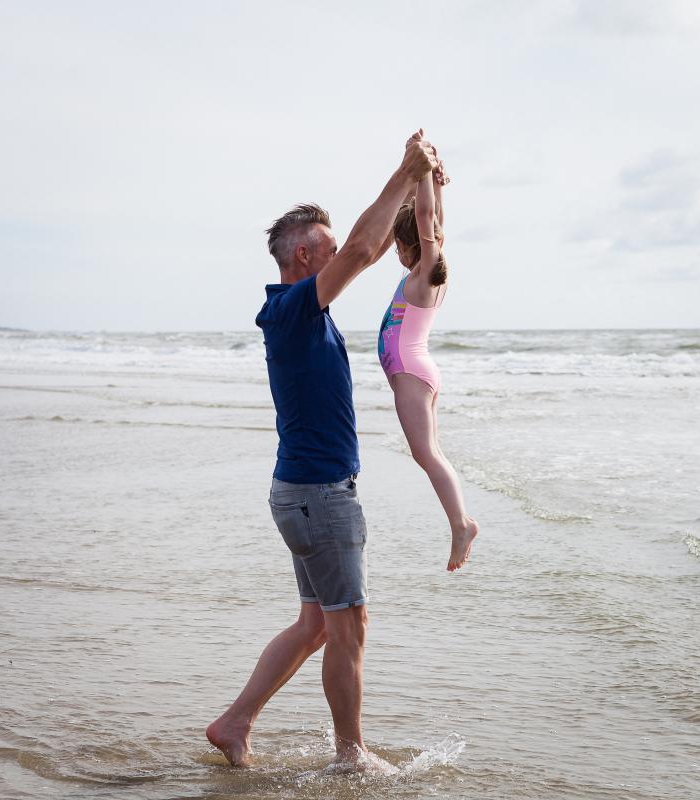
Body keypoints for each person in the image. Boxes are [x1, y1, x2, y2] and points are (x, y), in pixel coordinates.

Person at [205, 131, 438, 768]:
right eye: (330, 250)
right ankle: (351, 753)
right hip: (319, 496)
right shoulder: (291, 311)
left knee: (316, 624)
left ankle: (234, 722)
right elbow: (364, 248)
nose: (346, 260)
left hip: (307, 493)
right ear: (306, 254)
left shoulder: (302, 309)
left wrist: (425, 184)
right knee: (348, 627)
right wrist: (403, 167)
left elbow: (376, 241)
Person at [378, 138, 479, 572]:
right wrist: (436, 180)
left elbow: (426, 221)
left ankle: (460, 524)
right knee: (429, 450)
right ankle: (459, 522)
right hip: (417, 372)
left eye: (400, 249)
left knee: (426, 455)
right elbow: (436, 221)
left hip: (412, 374)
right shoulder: (429, 270)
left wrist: (421, 175)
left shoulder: (422, 273)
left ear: (407, 248)